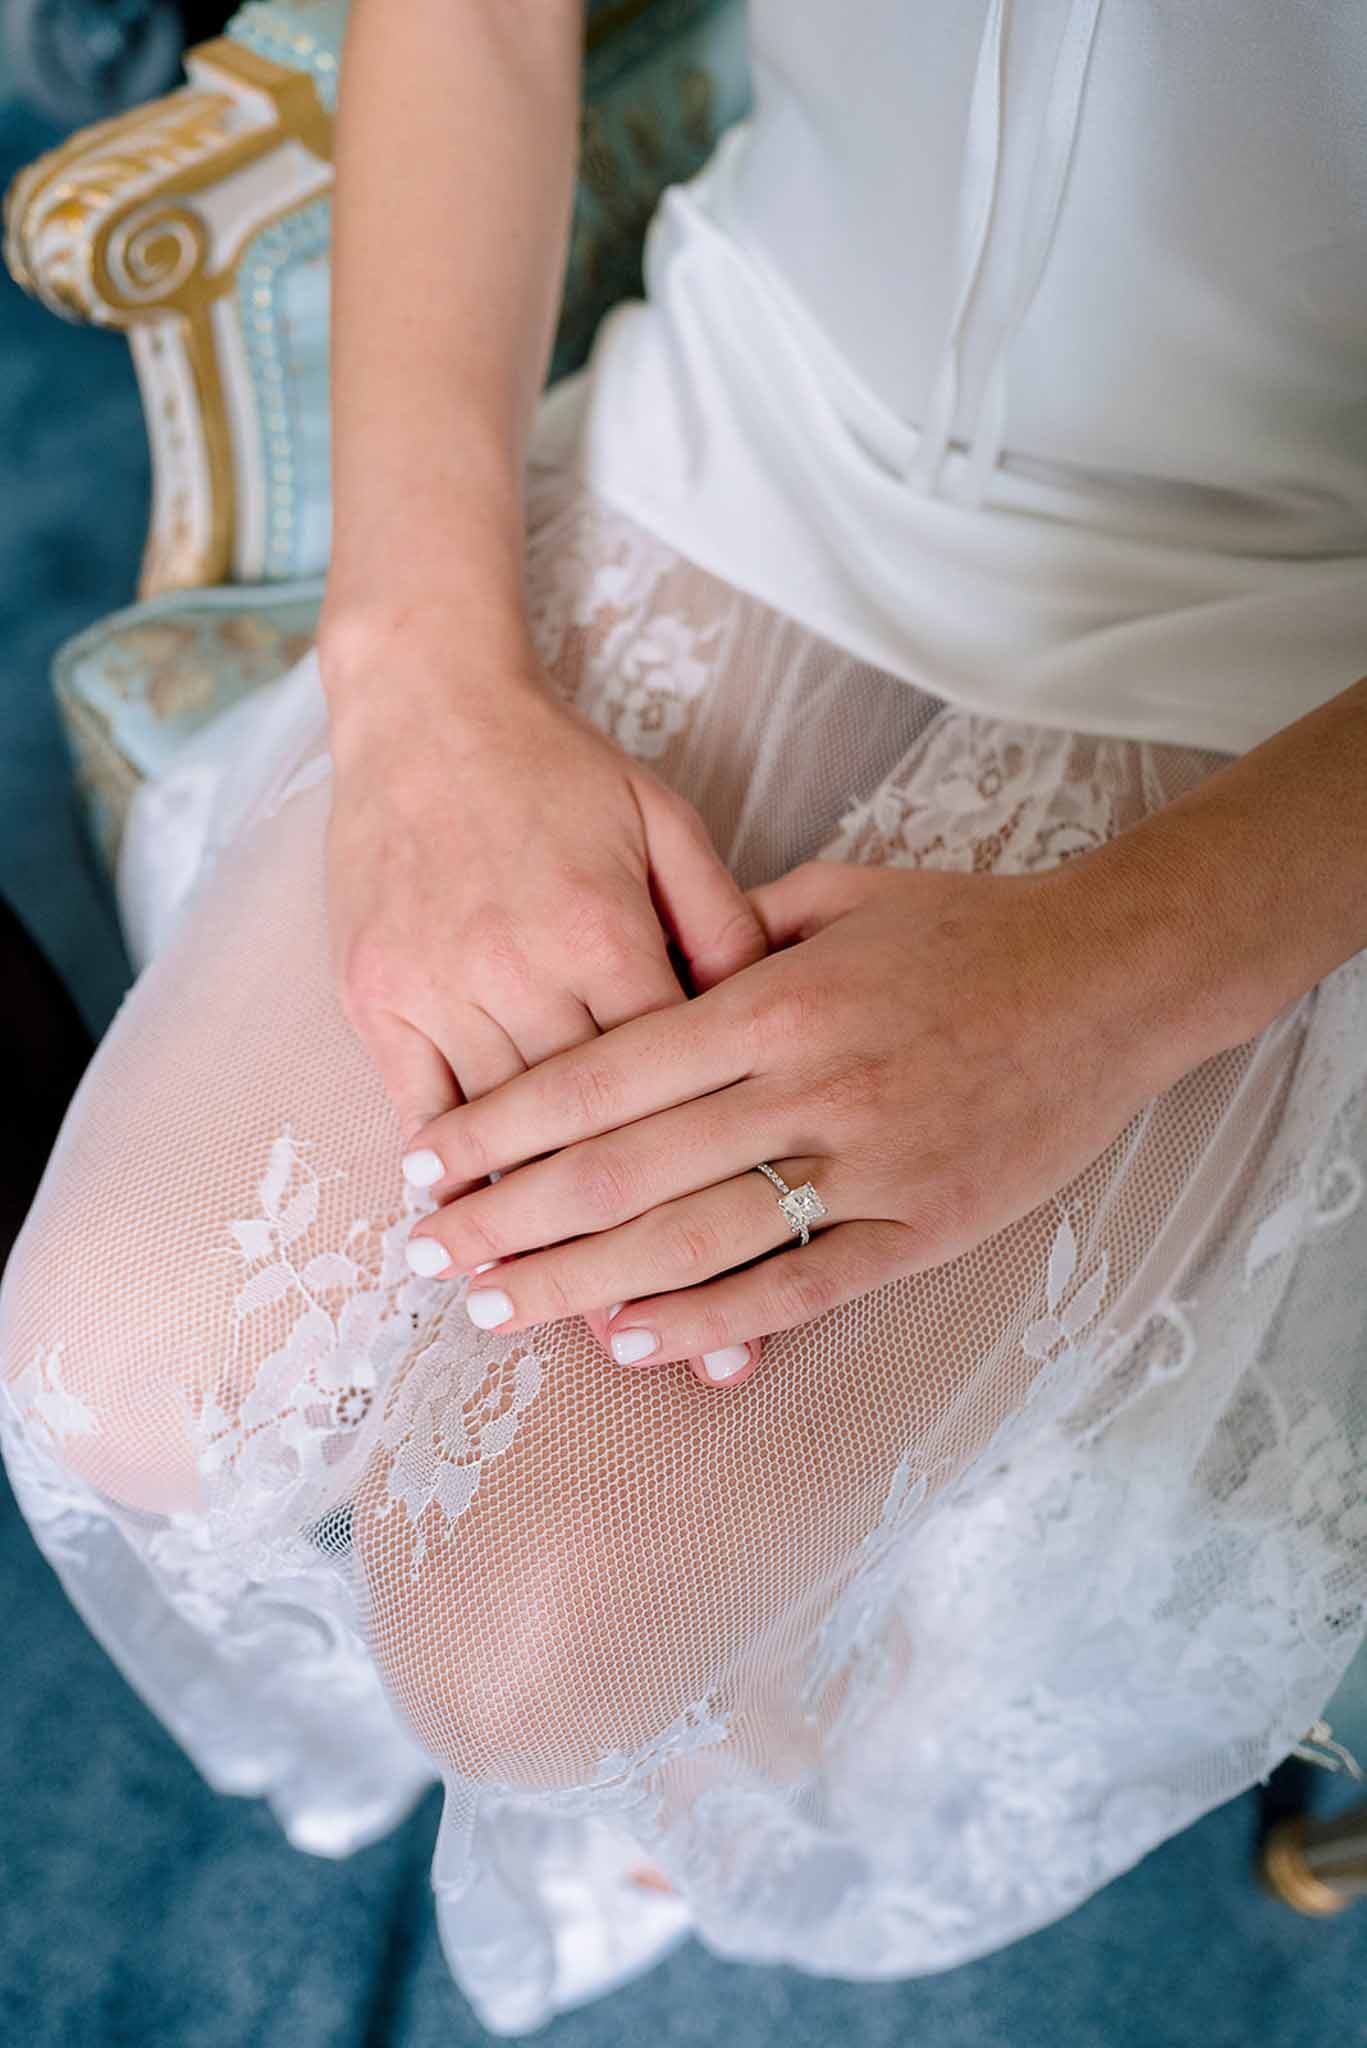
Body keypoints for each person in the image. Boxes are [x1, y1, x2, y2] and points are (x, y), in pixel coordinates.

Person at [4, 0, 1367, 2033]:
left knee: (541, 1635)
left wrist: (1108, 986)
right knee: (116, 1375)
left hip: (1280, 670)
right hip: (737, 441)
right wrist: (426, 684)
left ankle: (789, 1705)